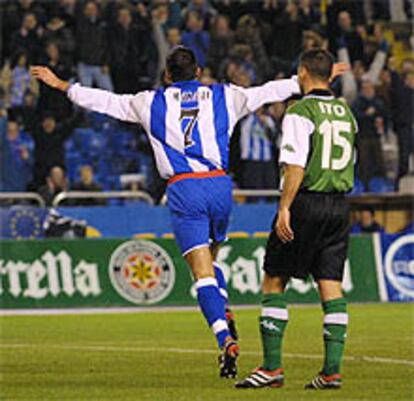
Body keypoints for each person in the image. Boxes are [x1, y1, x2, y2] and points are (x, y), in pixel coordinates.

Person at [31, 46, 346, 379]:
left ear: (167, 76)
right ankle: (223, 309)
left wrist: (64, 86)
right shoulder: (226, 96)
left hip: (185, 189)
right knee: (211, 261)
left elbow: (106, 101)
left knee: (202, 273)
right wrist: (306, 82)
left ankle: (225, 338)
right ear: (198, 72)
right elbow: (267, 91)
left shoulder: (149, 102)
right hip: (221, 186)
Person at [236, 49, 357, 390]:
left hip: (306, 202)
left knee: (274, 279)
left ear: (303, 72)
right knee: (330, 285)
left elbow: (296, 165)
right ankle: (331, 371)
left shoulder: (299, 111)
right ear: (328, 75)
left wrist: (285, 207)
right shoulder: (347, 112)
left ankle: (271, 368)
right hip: (339, 205)